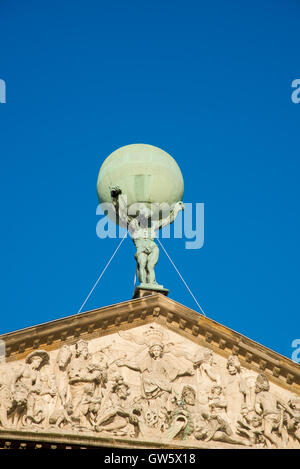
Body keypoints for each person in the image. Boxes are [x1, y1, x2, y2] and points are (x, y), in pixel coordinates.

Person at [110, 185, 183, 286]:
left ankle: (152, 284)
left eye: (147, 216)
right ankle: (144, 284)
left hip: (153, 247)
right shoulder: (133, 225)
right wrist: (117, 198)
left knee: (150, 266)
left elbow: (167, 220)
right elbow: (122, 215)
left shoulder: (152, 225)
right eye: (144, 216)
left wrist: (177, 210)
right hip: (141, 248)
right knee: (142, 263)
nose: (146, 219)